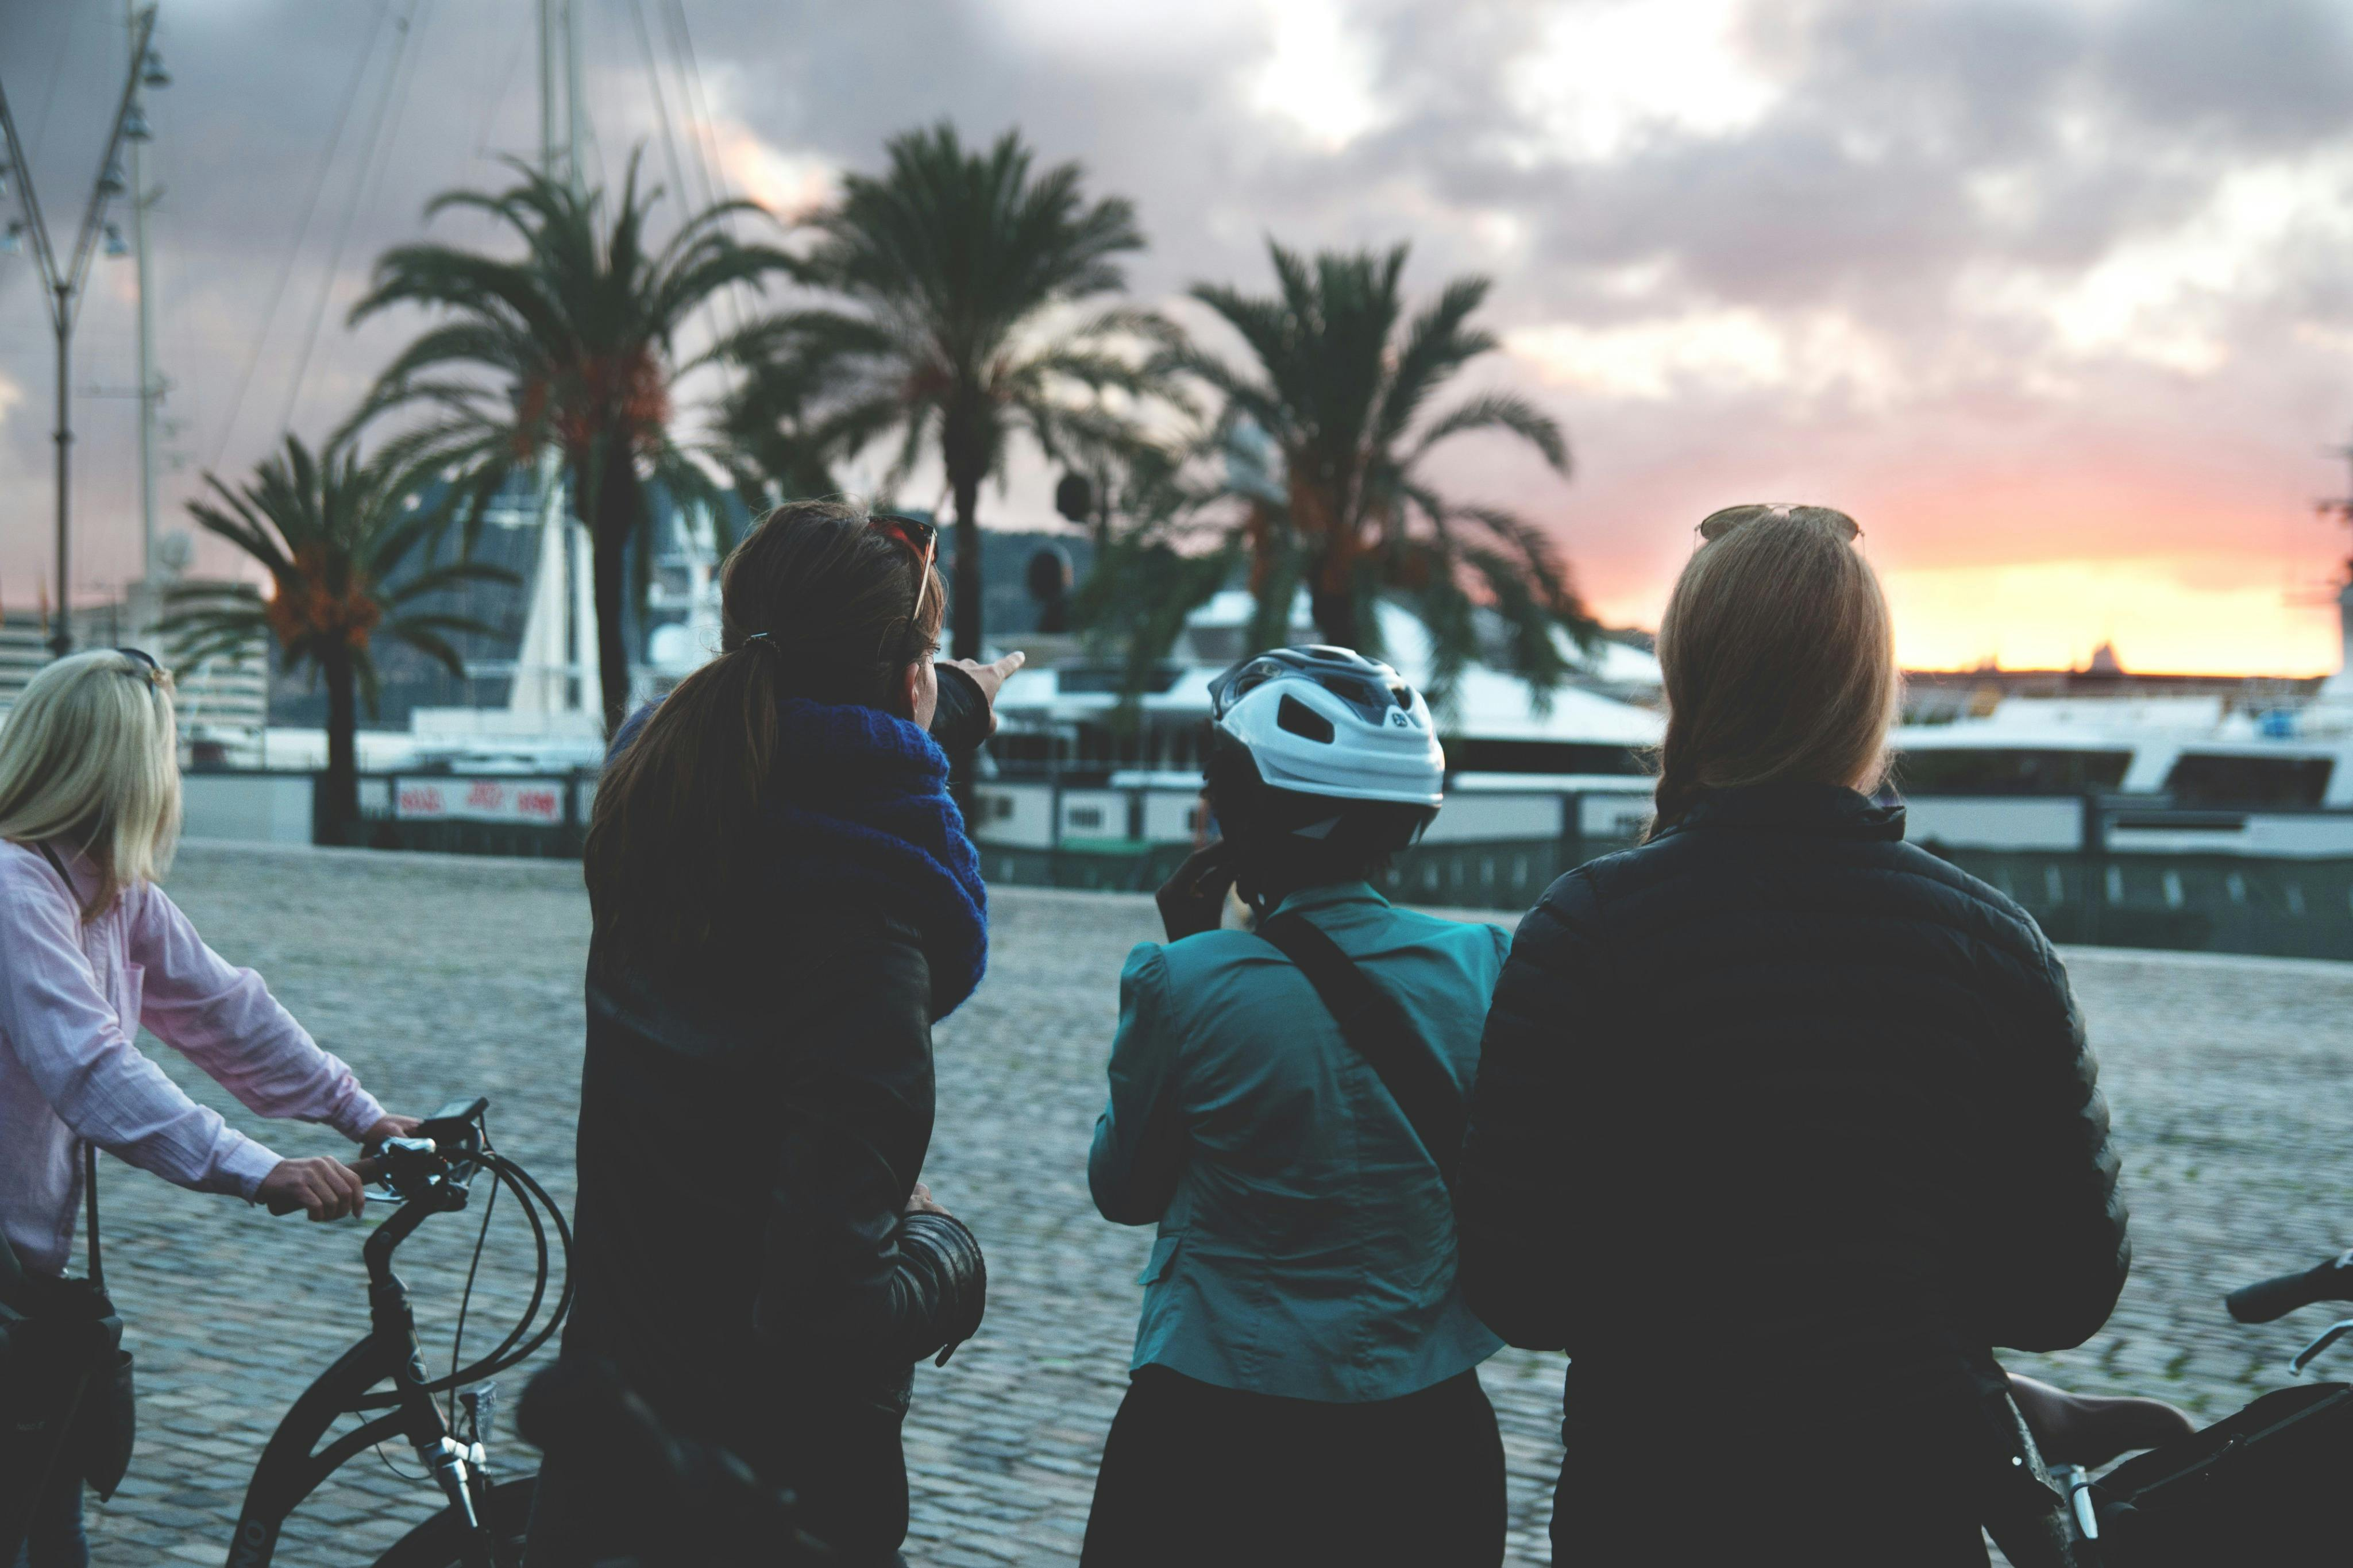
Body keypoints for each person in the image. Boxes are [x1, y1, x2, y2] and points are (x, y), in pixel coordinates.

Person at [1454, 505, 2131, 1565]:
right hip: (1903, 1504)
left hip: (1656, 1496)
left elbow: (1513, 1280)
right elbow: (2068, 1287)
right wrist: (1902, 1304)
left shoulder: (1585, 930)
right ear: (1869, 688)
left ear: (1692, 678)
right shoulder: (1997, 946)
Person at [526, 501, 1015, 1567]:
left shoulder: (654, 837)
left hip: (611, 1445)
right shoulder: (873, 939)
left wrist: (943, 699)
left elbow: (791, 755)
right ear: (904, 684)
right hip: (766, 1499)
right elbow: (822, 1313)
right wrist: (949, 1251)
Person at [1083, 647, 1511, 1567]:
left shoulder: (1177, 978)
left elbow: (1124, 1186)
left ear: (1242, 814)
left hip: (1216, 1424)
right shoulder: (1484, 965)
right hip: (1428, 1430)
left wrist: (1194, 953)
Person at [0, 649, 416, 1568]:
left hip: (25, 1285)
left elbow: (227, 1009)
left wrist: (362, 1113)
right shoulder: (14, 888)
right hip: (9, 1278)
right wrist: (258, 1167)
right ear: (126, 766)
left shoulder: (110, 891)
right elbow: (91, 1068)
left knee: (48, 1526)